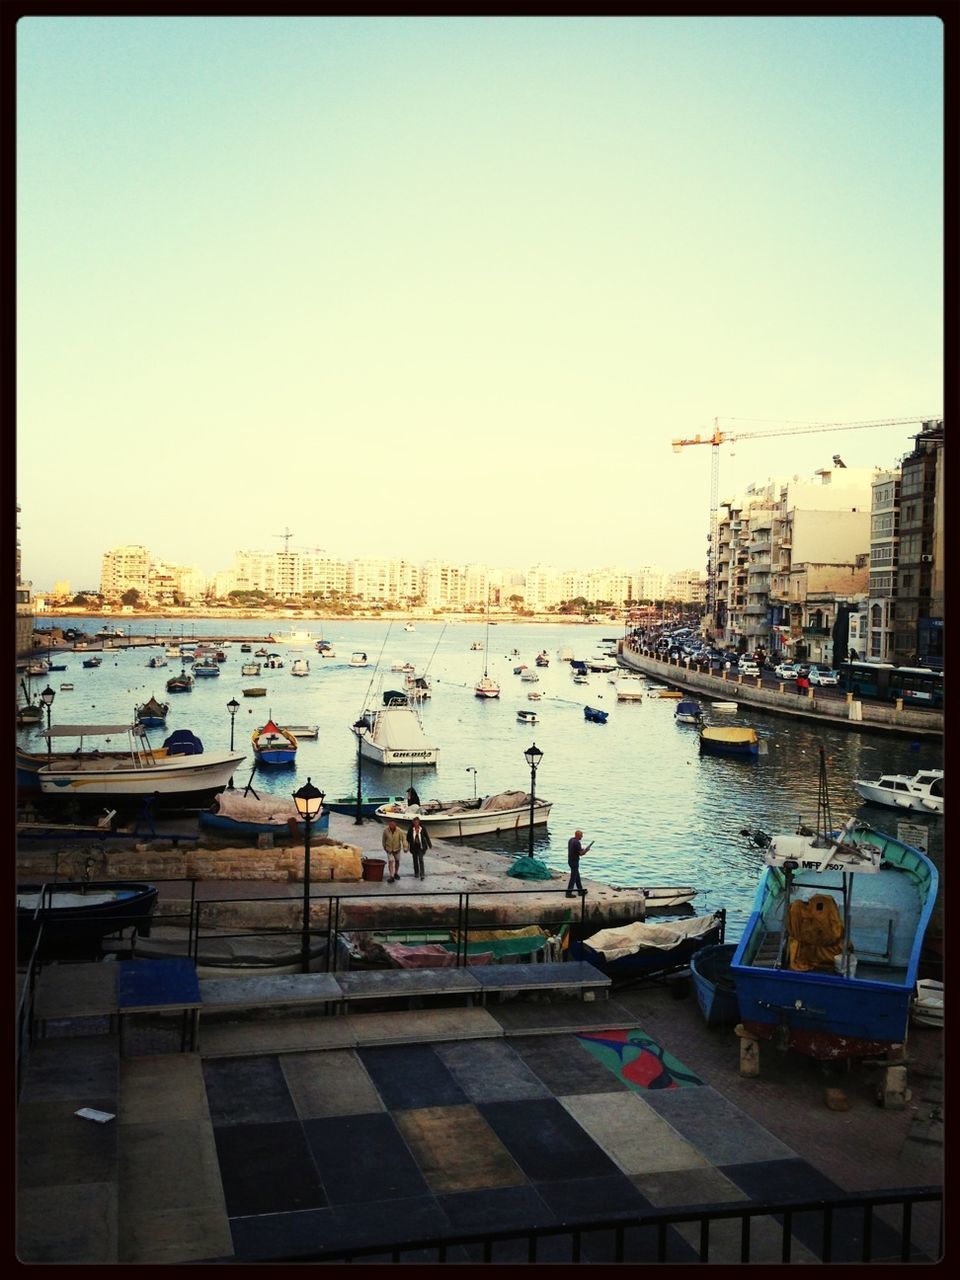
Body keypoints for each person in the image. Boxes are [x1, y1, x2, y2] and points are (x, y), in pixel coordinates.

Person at [566, 829, 593, 898]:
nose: (582, 837)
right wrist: (586, 850)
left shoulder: (571, 840)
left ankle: (580, 891)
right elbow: (581, 854)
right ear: (578, 835)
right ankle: (568, 893)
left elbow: (576, 850)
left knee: (577, 876)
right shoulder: (577, 842)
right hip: (574, 861)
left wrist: (581, 850)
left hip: (570, 860)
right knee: (573, 878)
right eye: (581, 835)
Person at [408, 815, 432, 880]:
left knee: (420, 859)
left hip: (421, 846)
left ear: (419, 822)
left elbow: (426, 836)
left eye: (417, 822)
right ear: (413, 823)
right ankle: (416, 872)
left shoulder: (422, 828)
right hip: (414, 847)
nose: (416, 823)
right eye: (415, 822)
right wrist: (407, 846)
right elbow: (408, 838)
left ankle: (422, 874)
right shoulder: (411, 829)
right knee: (415, 860)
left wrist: (430, 844)